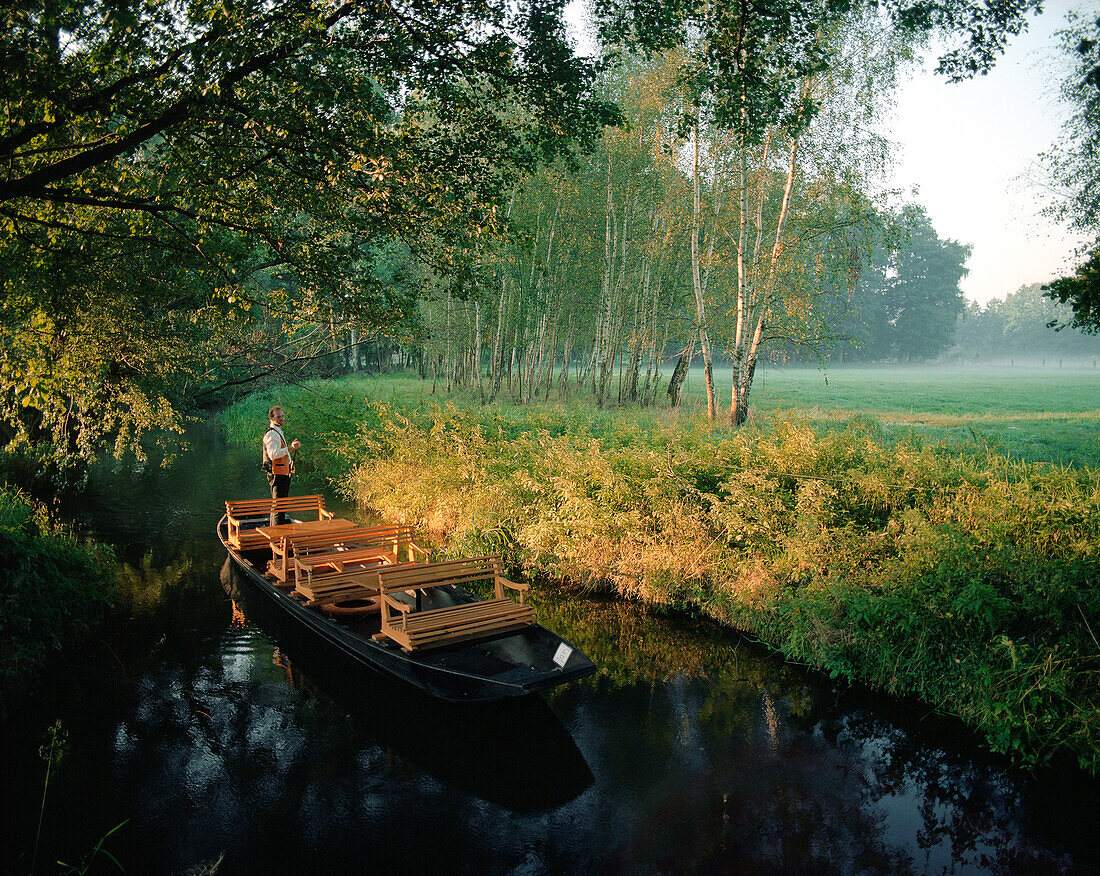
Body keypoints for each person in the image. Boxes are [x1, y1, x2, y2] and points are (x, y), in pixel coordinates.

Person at [261, 406, 301, 525]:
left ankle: (280, 532)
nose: (281, 419)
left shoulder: (278, 432)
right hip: (276, 474)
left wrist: (289, 464)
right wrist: (290, 448)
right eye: (278, 417)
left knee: (281, 505)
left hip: (282, 472)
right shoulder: (272, 434)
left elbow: (280, 452)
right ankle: (277, 535)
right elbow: (273, 455)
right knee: (278, 507)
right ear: (271, 418)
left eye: (283, 416)